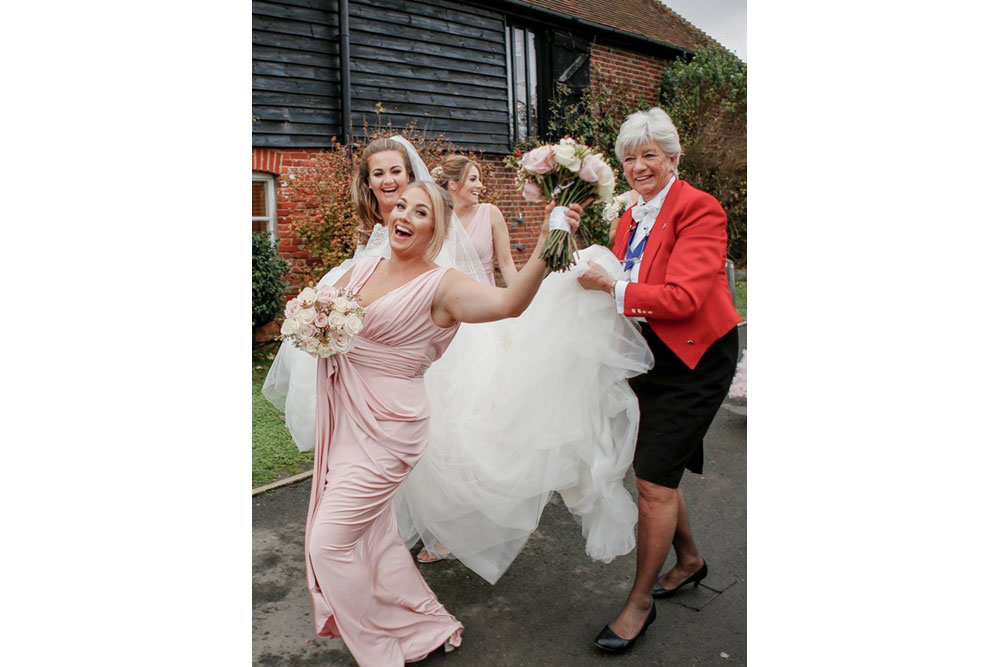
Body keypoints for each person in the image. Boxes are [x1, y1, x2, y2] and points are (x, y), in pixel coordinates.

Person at [304, 180, 583, 666]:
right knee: (373, 532)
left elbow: (508, 303)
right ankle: (420, 622)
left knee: (327, 545)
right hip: (348, 415)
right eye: (400, 206)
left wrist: (548, 238)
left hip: (391, 430)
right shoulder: (363, 267)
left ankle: (384, 642)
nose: (403, 216)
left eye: (421, 212)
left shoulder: (445, 285)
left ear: (436, 230)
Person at [577, 107, 742, 653]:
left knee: (651, 480)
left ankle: (639, 603)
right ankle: (690, 560)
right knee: (658, 470)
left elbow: (684, 298)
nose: (638, 166)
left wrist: (611, 288)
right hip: (648, 355)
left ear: (673, 159)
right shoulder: (628, 217)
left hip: (696, 357)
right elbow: (624, 274)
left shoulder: (700, 208)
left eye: (650, 155)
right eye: (629, 157)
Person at [262, 136, 488, 448]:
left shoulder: (425, 228)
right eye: (378, 174)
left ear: (409, 175)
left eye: (395, 171)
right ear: (368, 182)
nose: (388, 180)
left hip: (406, 356)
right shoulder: (372, 227)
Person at [432, 155, 517, 286]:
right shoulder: (435, 218)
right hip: (446, 298)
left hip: (483, 298)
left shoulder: (490, 214)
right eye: (473, 179)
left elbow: (506, 264)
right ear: (453, 184)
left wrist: (519, 298)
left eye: (479, 180)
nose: (480, 185)